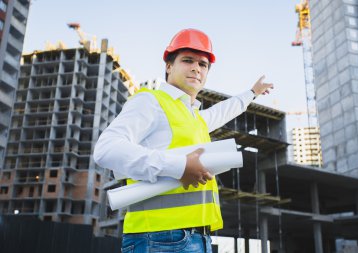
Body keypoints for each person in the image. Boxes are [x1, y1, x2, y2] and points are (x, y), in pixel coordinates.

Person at [93, 28, 273, 253]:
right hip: (160, 239)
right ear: (169, 66)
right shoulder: (151, 101)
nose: (196, 68)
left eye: (203, 64)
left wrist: (251, 93)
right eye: (188, 60)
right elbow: (106, 148)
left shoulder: (194, 117)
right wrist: (180, 166)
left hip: (197, 238)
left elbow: (223, 111)